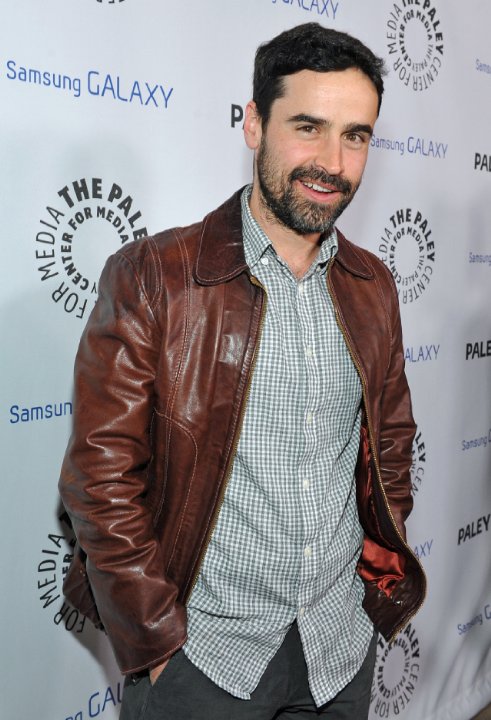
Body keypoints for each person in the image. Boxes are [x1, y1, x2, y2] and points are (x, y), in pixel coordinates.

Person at [59, 22, 426, 720]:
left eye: (355, 136)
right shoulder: (155, 278)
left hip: (338, 650)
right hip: (203, 661)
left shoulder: (372, 284)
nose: (332, 162)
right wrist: (158, 644)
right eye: (308, 127)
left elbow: (391, 446)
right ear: (254, 124)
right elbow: (100, 479)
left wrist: (369, 591)